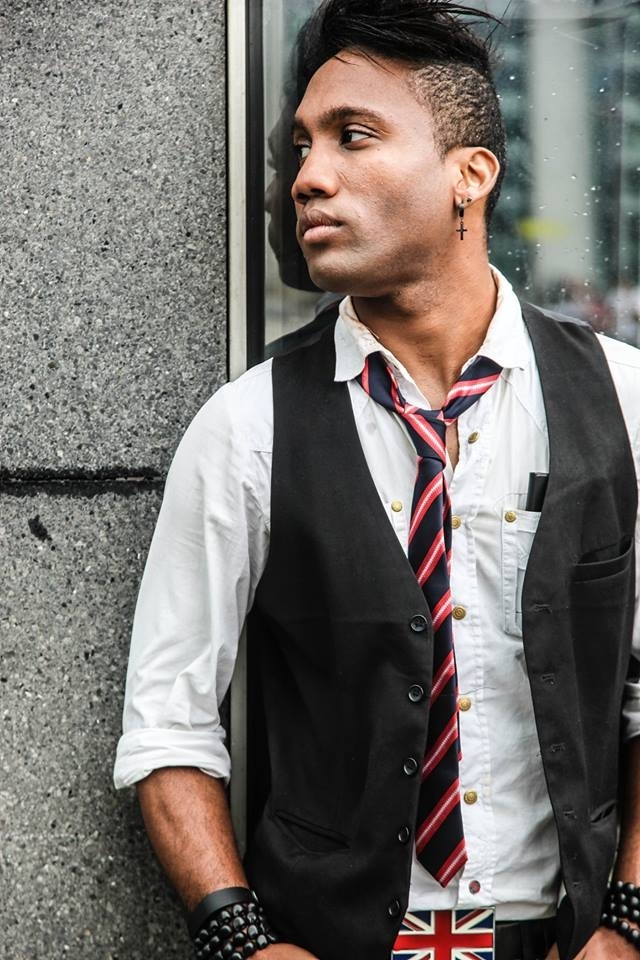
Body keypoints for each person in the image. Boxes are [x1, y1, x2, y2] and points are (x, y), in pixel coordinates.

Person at [113, 2, 640, 959]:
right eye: (302, 147)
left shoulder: (624, 401)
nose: (308, 178)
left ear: (470, 175)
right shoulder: (247, 426)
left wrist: (629, 922)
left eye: (353, 137)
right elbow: (167, 729)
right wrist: (244, 941)